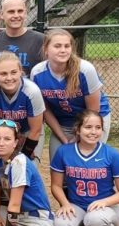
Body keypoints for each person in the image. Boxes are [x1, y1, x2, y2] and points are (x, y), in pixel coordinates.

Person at [51, 110, 119, 226]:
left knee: (95, 221)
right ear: (78, 129)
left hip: (107, 208)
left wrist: (104, 201)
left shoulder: (111, 154)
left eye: (98, 127)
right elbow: (56, 186)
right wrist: (65, 204)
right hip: (77, 205)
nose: (93, 132)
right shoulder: (64, 151)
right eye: (88, 127)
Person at [30, 28, 111, 160]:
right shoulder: (37, 73)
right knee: (59, 161)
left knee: (86, 162)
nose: (63, 50)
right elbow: (45, 110)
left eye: (67, 46)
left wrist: (77, 137)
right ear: (46, 49)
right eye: (57, 46)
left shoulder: (85, 69)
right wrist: (62, 137)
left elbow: (93, 110)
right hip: (61, 123)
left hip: (92, 121)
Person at [0, 51, 45, 160]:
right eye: (3, 73)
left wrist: (21, 158)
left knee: (25, 169)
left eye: (13, 72)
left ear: (20, 72)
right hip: (2, 133)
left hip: (28, 133)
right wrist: (1, 154)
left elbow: (35, 130)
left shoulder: (31, 91)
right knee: (1, 169)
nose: (9, 78)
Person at [0, 0, 44, 78]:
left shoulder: (41, 40)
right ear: (1, 15)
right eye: (11, 12)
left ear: (25, 13)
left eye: (20, 11)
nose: (16, 15)